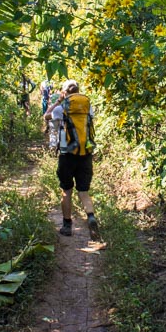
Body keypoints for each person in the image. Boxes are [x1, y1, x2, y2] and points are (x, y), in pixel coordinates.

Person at [45, 80, 100, 240]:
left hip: (67, 154)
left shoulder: (61, 108)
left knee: (66, 190)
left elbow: (46, 115)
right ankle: (91, 217)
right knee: (83, 191)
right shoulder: (87, 106)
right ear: (78, 90)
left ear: (64, 92)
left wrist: (58, 101)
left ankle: (67, 225)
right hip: (85, 154)